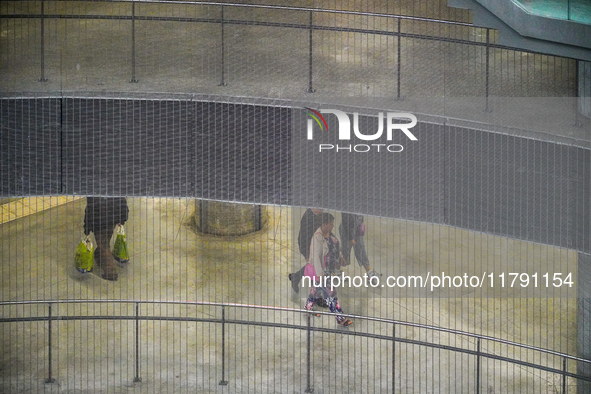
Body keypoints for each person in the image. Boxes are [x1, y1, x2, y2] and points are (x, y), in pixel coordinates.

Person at [303, 213, 353, 326]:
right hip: (322, 272)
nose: (333, 226)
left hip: (329, 270)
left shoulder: (329, 234)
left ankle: (307, 307)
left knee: (315, 291)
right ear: (324, 224)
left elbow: (335, 246)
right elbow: (316, 257)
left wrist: (340, 258)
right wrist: (320, 274)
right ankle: (341, 318)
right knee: (331, 294)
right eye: (331, 224)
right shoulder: (318, 237)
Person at [83, 197, 129, 281]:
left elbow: (91, 206)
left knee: (103, 245)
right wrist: (123, 216)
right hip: (114, 214)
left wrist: (87, 225)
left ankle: (110, 272)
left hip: (99, 219)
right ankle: (100, 256)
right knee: (106, 238)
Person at [288, 208, 324, 293]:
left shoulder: (319, 215)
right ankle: (315, 294)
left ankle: (296, 277)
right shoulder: (308, 217)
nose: (322, 210)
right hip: (309, 247)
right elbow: (303, 237)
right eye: (319, 208)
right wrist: (307, 253)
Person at [339, 212, 381, 279]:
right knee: (345, 253)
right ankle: (336, 271)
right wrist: (351, 238)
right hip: (347, 232)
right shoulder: (347, 207)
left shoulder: (359, 204)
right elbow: (345, 223)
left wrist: (361, 224)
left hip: (357, 231)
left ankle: (369, 272)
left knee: (361, 250)